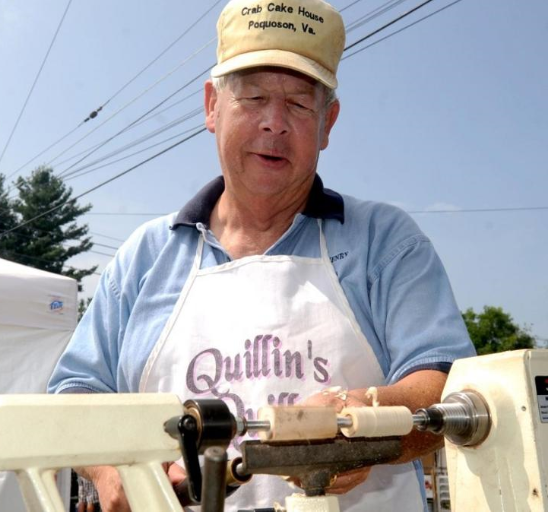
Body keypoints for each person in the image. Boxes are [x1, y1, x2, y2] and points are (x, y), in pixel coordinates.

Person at [48, 0, 476, 510]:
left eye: (298, 103)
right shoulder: (144, 258)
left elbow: (448, 387)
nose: (274, 123)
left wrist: (364, 417)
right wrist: (112, 468)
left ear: (328, 123)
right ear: (211, 106)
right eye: (252, 97)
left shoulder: (385, 242)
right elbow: (74, 391)